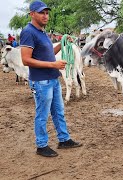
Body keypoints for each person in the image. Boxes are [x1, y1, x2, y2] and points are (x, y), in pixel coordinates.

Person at [20, 0, 82, 157]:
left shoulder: (42, 32)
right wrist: (53, 65)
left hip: (52, 79)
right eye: (41, 12)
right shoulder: (28, 32)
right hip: (41, 82)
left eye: (47, 13)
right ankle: (41, 145)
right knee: (42, 114)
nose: (45, 15)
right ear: (32, 14)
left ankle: (64, 139)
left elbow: (48, 54)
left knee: (58, 111)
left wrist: (62, 44)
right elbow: (26, 60)